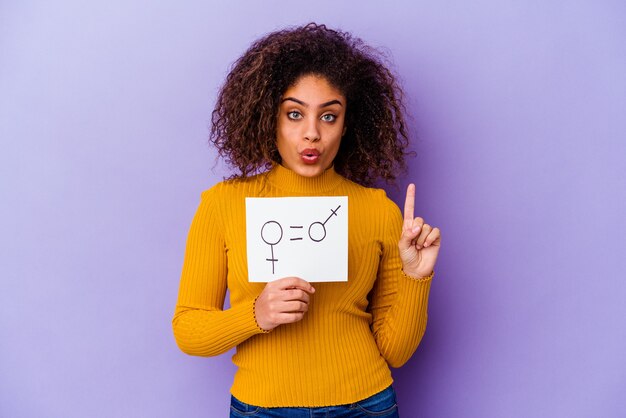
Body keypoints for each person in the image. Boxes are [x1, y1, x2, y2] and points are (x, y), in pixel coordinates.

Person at [172, 23, 441, 417]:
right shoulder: (223, 205)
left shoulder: (379, 209)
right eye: (294, 114)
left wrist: (417, 278)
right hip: (262, 409)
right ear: (270, 118)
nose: (311, 133)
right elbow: (188, 330)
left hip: (365, 406)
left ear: (347, 124)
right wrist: (256, 315)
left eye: (329, 117)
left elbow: (396, 353)